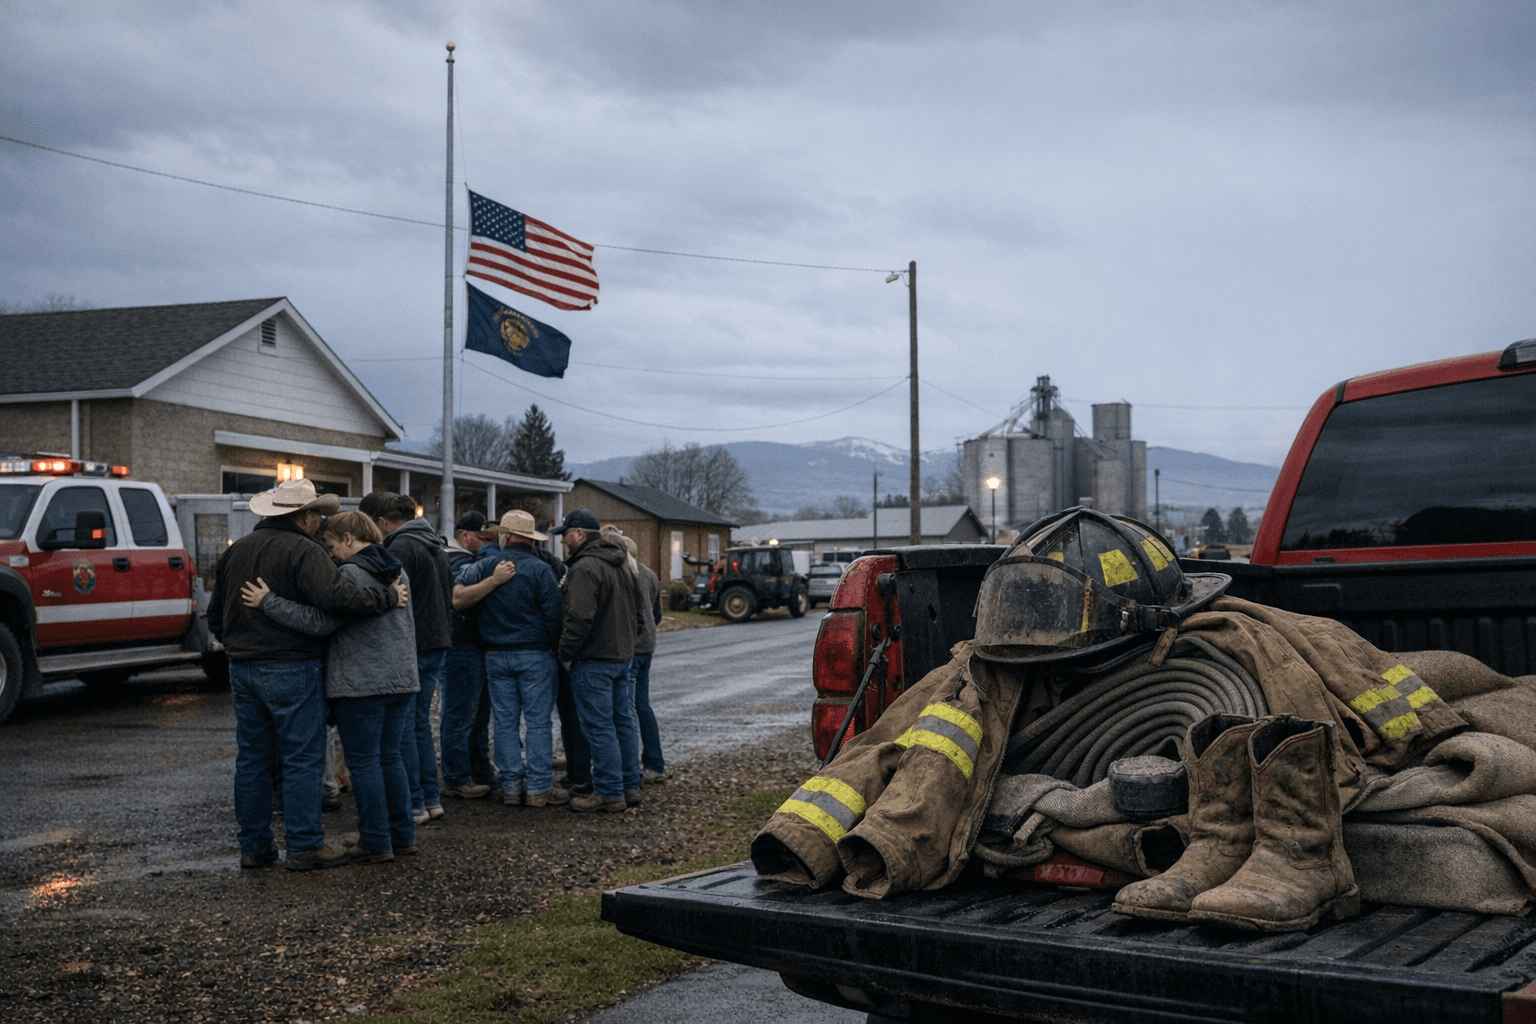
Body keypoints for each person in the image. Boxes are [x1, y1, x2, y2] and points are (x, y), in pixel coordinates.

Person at [205, 479, 402, 871]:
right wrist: (388, 597)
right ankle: (304, 845)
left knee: (253, 760)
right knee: (301, 759)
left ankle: (255, 846)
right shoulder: (305, 550)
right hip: (293, 666)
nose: (320, 523)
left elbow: (215, 618)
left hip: (242, 667)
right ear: (306, 517)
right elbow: (337, 599)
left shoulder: (237, 552)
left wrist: (240, 644)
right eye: (318, 515)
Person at [239, 511, 419, 863]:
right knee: (390, 758)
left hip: (361, 683)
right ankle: (402, 836)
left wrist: (268, 602)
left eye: (333, 546)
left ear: (348, 540)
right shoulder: (397, 570)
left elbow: (321, 622)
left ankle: (376, 842)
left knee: (364, 763)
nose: (332, 554)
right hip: (401, 678)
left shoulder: (350, 573)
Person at [453, 509, 565, 806]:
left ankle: (512, 787)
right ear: (529, 539)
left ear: (507, 535)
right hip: (535, 654)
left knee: (504, 722)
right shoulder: (542, 570)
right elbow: (555, 618)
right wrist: (556, 650)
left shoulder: (487, 564)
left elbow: (458, 596)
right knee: (539, 722)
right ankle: (540, 788)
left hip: (495, 654)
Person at [362, 492, 454, 824]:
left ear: (383, 523)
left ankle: (414, 802)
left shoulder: (399, 547)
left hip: (413, 646)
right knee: (419, 727)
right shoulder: (434, 545)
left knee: (404, 729)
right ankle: (429, 798)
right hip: (437, 643)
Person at [550, 508, 638, 814]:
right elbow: (639, 613)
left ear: (578, 534)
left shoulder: (585, 568)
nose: (562, 540)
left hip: (593, 659)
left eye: (565, 534)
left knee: (599, 728)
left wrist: (566, 654)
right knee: (622, 723)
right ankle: (629, 785)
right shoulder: (622, 563)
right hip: (621, 656)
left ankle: (609, 792)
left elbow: (578, 617)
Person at [439, 511, 496, 799]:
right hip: (461, 645)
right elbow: (458, 601)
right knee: (460, 714)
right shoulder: (459, 562)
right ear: (465, 536)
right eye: (482, 537)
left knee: (474, 714)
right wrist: (493, 582)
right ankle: (457, 776)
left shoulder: (464, 561)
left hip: (468, 645)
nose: (486, 542)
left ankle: (477, 769)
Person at [620, 533, 666, 785]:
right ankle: (654, 763)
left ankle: (629, 768)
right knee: (642, 704)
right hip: (647, 645)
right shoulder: (650, 574)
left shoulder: (626, 574)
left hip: (631, 647)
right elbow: (656, 613)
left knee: (626, 708)